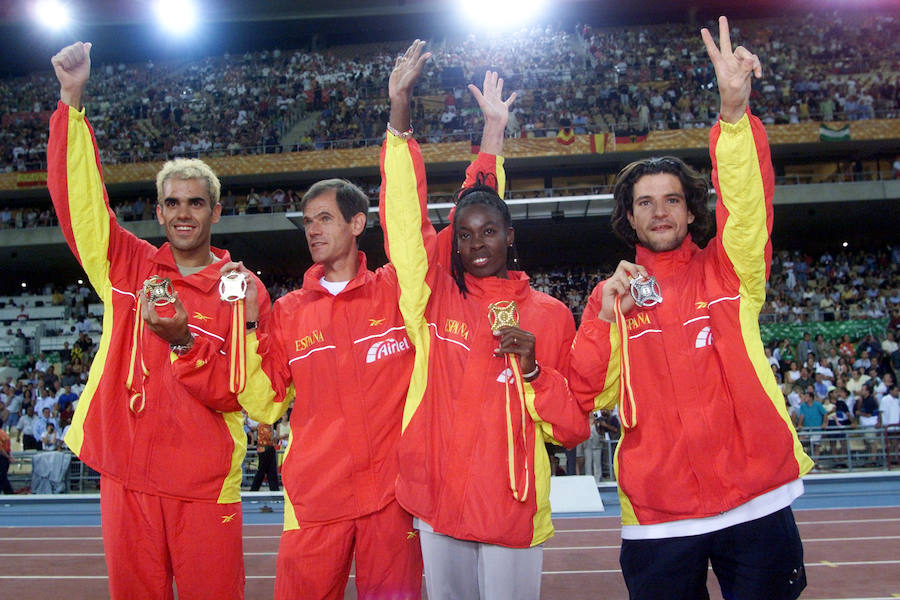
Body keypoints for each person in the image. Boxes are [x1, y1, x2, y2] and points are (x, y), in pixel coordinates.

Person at [565, 18, 812, 600]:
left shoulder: (731, 273)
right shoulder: (612, 298)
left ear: (689, 209)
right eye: (645, 203)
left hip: (757, 502)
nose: (659, 212)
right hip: (659, 516)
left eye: (672, 200)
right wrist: (603, 317)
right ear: (628, 217)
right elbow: (591, 395)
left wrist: (733, 116)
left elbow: (748, 210)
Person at [48, 41, 269, 600]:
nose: (183, 214)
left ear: (216, 211)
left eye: (195, 203)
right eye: (172, 203)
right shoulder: (128, 265)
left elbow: (243, 394)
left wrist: (184, 342)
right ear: (160, 210)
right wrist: (71, 103)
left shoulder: (242, 290)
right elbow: (81, 206)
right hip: (127, 477)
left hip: (201, 485)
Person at [381, 41, 587, 600]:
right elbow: (406, 219)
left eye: (489, 232)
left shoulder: (548, 315)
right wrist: (400, 118)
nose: (475, 244)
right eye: (464, 234)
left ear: (510, 236)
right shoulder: (434, 297)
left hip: (510, 505)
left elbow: (571, 429)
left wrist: (537, 372)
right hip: (437, 497)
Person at [249, 421, 279, 492]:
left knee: (272, 470)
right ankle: (253, 491)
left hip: (270, 447)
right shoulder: (261, 423)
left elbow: (271, 435)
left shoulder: (269, 421)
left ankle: (274, 491)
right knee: (261, 471)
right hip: (262, 448)